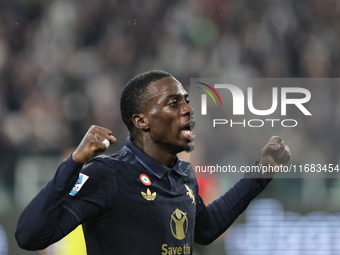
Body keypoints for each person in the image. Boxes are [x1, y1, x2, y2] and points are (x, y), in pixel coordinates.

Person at [15, 70, 291, 254]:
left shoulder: (183, 175)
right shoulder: (106, 175)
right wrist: (74, 163)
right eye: (173, 103)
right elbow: (30, 236)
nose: (187, 109)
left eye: (186, 101)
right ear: (141, 121)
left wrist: (262, 171)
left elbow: (206, 230)